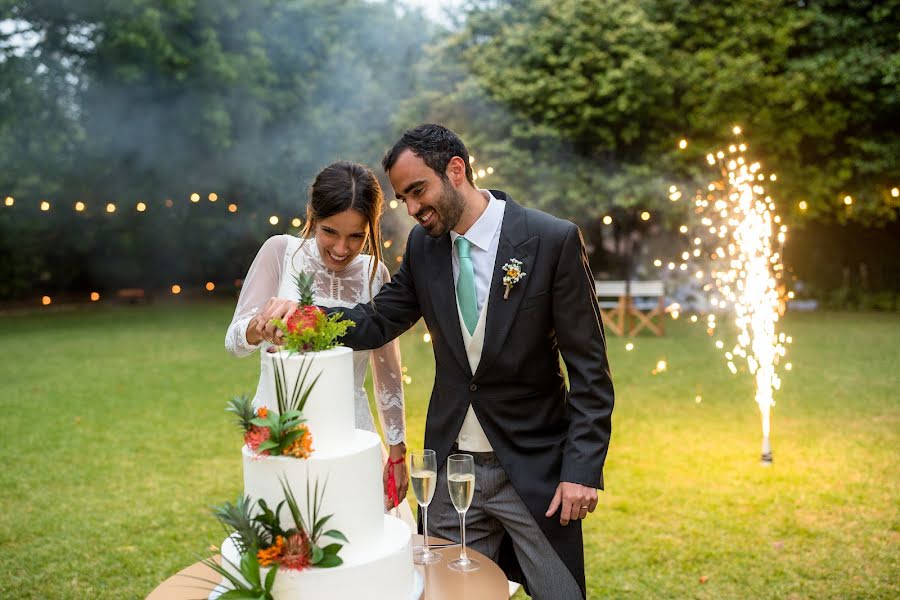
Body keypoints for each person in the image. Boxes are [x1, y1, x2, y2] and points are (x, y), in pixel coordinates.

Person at [300, 124, 614, 599]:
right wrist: (305, 318)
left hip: (534, 473)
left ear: (456, 170)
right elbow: (377, 320)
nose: (411, 209)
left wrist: (581, 471)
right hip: (451, 476)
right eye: (403, 197)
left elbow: (590, 371)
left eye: (417, 191)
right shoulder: (425, 249)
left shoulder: (551, 241)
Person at [224, 160, 411, 520]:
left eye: (356, 236)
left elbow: (388, 375)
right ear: (313, 215)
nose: (342, 248)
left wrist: (397, 451)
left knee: (362, 536)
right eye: (330, 232)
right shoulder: (280, 252)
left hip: (350, 431)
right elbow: (234, 341)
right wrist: (258, 327)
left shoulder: (375, 274)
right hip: (282, 428)